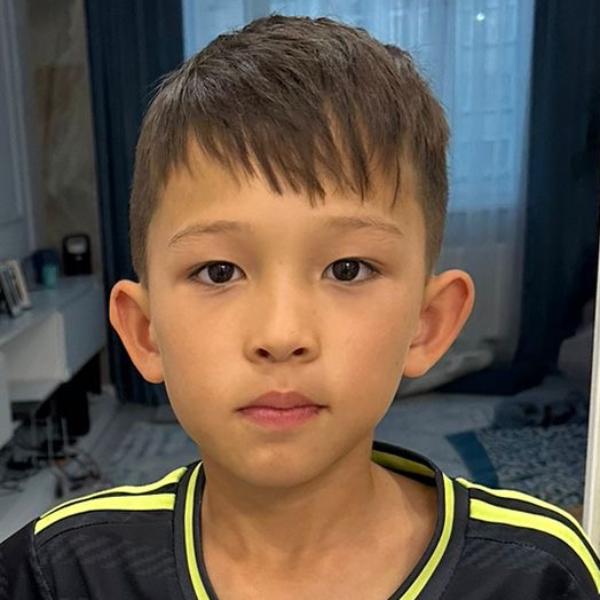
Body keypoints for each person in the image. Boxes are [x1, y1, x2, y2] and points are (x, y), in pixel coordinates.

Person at [1, 14, 599, 600]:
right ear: (145, 331)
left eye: (348, 269)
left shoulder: (540, 576)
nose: (282, 333)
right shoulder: (60, 571)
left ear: (428, 324)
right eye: (219, 272)